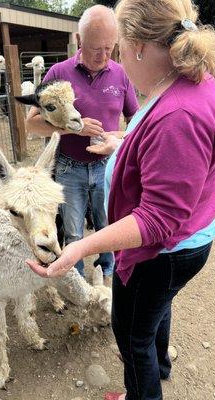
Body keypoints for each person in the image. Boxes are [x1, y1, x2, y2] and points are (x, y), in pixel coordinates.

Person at [26, 0, 215, 399]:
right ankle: (160, 363)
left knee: (131, 335)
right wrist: (121, 140)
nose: (111, 58)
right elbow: (151, 132)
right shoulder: (186, 83)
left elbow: (157, 220)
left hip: (163, 250)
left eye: (115, 48)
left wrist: (79, 245)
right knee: (155, 308)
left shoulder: (178, 115)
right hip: (183, 238)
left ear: (134, 46)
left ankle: (143, 390)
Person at [26, 5, 139, 279]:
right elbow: (32, 123)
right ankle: (75, 277)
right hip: (70, 168)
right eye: (95, 48)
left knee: (108, 225)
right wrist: (73, 129)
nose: (104, 56)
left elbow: (136, 119)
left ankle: (108, 272)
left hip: (108, 165)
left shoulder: (120, 74)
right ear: (79, 41)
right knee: (74, 229)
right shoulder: (58, 73)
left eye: (109, 48)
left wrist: (120, 136)